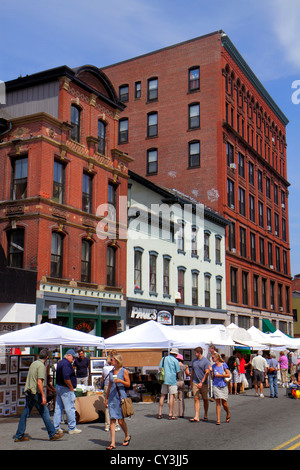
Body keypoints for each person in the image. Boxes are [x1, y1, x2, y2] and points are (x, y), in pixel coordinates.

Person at [14, 349, 63, 442]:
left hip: (28, 391)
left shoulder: (34, 363)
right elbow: (39, 382)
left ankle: (19, 435)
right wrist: (43, 396)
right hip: (34, 392)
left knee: (26, 413)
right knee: (44, 412)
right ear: (47, 357)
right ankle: (52, 434)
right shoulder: (41, 366)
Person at [105, 352, 131, 450]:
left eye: (112, 360)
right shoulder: (111, 372)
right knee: (112, 420)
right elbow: (109, 386)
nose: (110, 361)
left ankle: (127, 435)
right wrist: (106, 398)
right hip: (112, 397)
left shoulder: (124, 371)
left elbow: (128, 384)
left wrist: (120, 381)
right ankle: (112, 443)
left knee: (120, 421)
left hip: (120, 397)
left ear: (117, 360)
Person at [53, 349, 81, 435]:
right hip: (65, 389)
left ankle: (56, 427)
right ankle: (72, 427)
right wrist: (71, 388)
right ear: (68, 355)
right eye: (73, 357)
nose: (74, 359)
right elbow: (66, 378)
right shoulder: (66, 364)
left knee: (58, 408)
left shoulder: (61, 362)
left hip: (59, 387)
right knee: (70, 408)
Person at [157, 348, 180, 420]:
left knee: (162, 396)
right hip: (172, 380)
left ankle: (160, 413)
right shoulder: (175, 360)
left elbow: (160, 368)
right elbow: (177, 370)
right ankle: (170, 413)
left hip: (164, 379)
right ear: (176, 354)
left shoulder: (164, 358)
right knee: (171, 396)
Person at [190, 346, 210, 422]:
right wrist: (191, 381)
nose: (194, 354)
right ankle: (196, 416)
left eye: (195, 352)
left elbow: (207, 372)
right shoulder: (194, 361)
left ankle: (205, 414)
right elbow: (192, 372)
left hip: (204, 383)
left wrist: (202, 382)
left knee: (205, 399)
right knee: (196, 398)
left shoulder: (206, 361)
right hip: (195, 381)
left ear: (199, 353)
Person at [211, 353, 231, 425]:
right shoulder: (213, 366)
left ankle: (228, 413)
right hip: (216, 385)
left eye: (213, 358)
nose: (212, 359)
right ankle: (218, 419)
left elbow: (228, 374)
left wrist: (221, 375)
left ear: (217, 358)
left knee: (224, 403)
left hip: (223, 385)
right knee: (217, 402)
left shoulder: (224, 365)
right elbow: (212, 377)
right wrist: (211, 373)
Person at [103, 354, 120, 432]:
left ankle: (107, 425)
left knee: (107, 406)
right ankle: (115, 424)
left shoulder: (104, 368)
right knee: (114, 405)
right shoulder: (114, 368)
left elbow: (103, 377)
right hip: (112, 386)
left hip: (106, 386)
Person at [174, 353, 189, 418]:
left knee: (175, 399)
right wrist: (187, 368)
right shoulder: (183, 366)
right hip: (181, 381)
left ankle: (174, 414)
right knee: (181, 398)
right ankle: (181, 413)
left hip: (175, 382)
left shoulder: (175, 366)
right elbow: (188, 374)